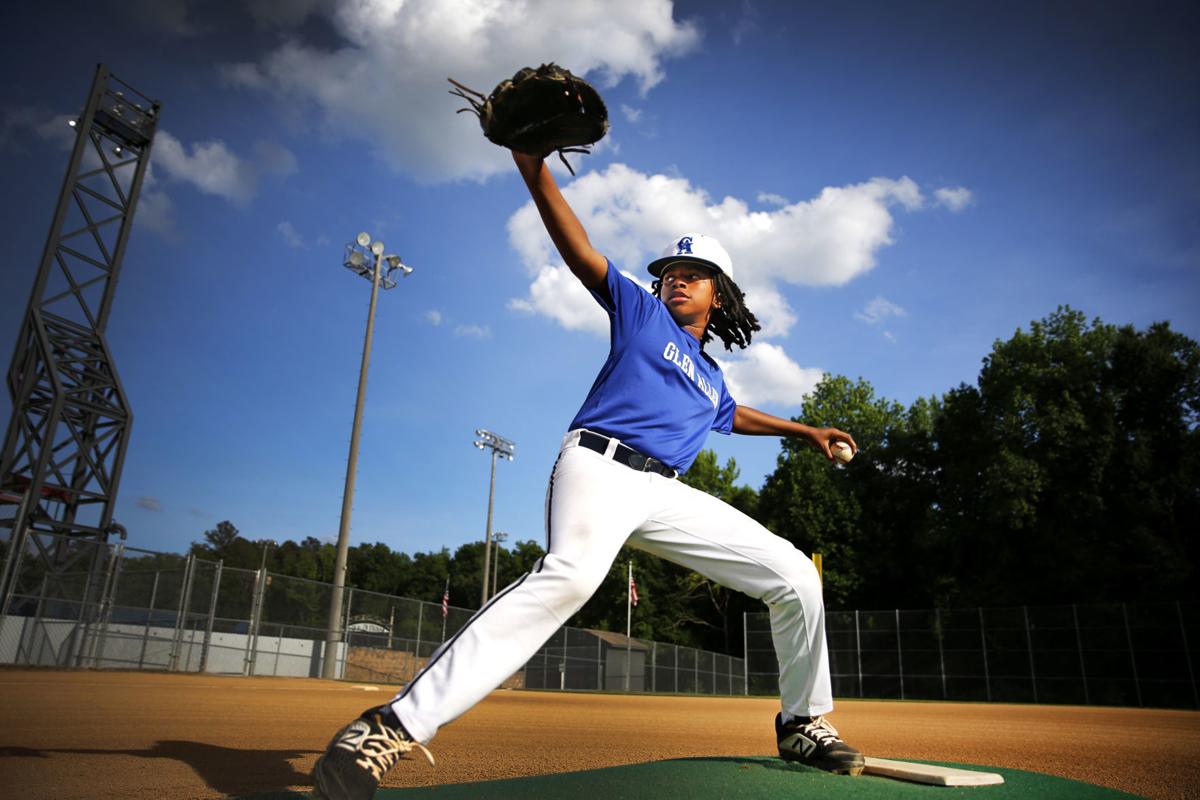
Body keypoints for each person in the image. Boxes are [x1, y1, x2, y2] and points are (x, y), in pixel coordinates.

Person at [311, 150, 864, 800]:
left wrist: (804, 431)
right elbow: (580, 250)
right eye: (671, 272)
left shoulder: (711, 377)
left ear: (722, 293)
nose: (677, 281)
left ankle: (802, 721)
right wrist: (531, 165)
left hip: (663, 492)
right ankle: (391, 726)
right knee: (571, 574)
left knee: (795, 574)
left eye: (695, 274)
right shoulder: (641, 310)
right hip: (599, 465)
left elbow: (732, 413)